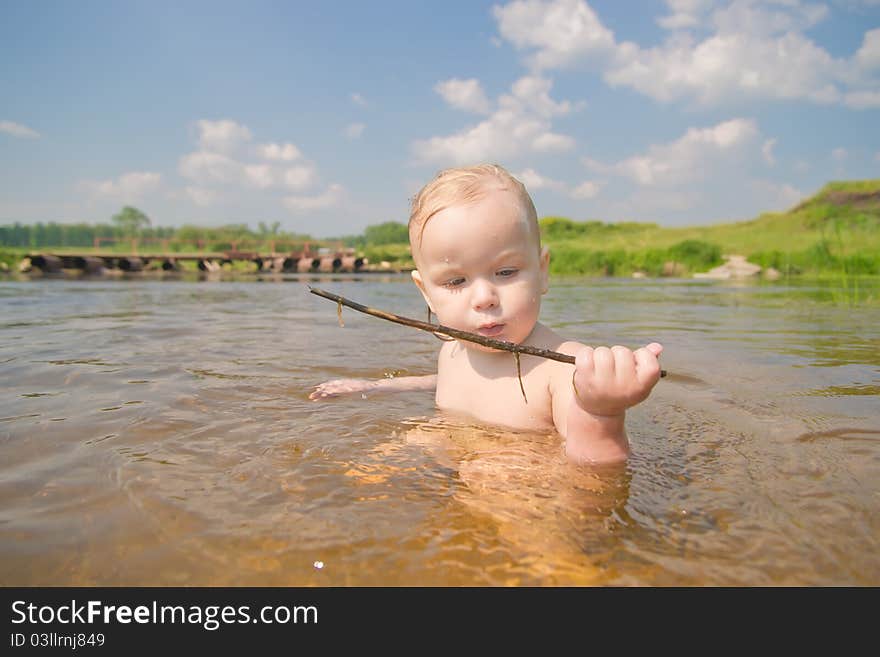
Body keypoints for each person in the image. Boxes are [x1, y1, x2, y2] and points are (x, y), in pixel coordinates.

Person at [310, 164, 663, 464]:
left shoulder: (568, 369)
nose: (483, 298)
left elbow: (596, 469)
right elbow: (445, 382)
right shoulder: (453, 350)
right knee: (368, 470)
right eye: (456, 281)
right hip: (454, 468)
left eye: (506, 272)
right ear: (426, 293)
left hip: (527, 496)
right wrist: (376, 387)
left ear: (543, 273)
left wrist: (601, 412)